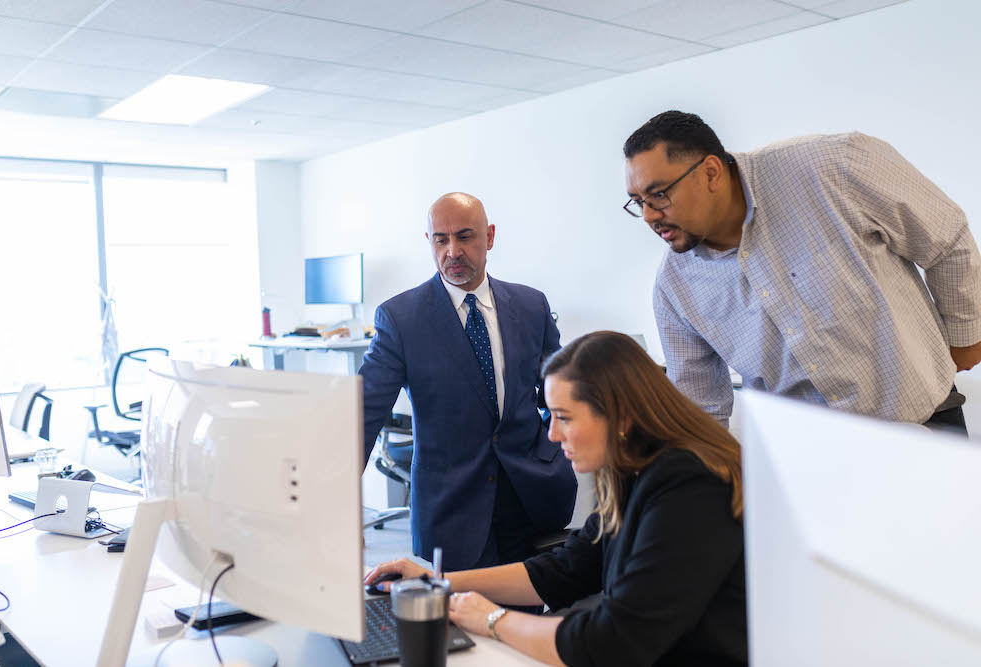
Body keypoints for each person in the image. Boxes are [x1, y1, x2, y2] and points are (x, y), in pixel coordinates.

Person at [365, 331, 746, 666]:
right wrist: (440, 581)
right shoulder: (634, 469)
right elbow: (568, 568)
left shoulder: (691, 484)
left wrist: (491, 620)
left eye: (564, 417)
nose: (552, 435)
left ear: (622, 416)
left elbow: (615, 641)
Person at [622, 110, 981, 433]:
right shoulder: (675, 287)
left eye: (659, 195)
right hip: (809, 463)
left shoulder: (831, 166)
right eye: (639, 203)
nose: (651, 216)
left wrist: (966, 338)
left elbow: (945, 238)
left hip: (924, 426)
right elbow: (700, 412)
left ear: (711, 172)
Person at [359, 192, 577, 572]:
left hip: (531, 495)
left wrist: (558, 450)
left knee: (528, 611)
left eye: (465, 236)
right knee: (463, 625)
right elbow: (362, 413)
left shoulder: (531, 306)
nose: (452, 251)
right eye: (441, 240)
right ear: (429, 242)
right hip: (452, 508)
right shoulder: (400, 318)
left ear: (489, 237)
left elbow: (560, 393)